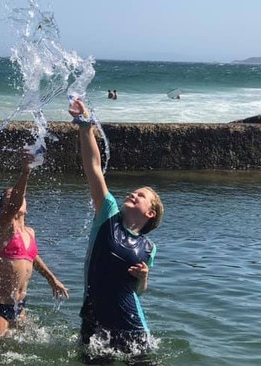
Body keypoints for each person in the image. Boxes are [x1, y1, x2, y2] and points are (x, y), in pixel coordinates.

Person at [69, 98, 164, 364]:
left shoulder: (149, 248)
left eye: (142, 195)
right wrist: (85, 126)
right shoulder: (108, 215)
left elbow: (139, 291)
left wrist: (144, 277)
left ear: (150, 213)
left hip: (132, 326)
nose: (134, 193)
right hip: (95, 324)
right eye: (135, 191)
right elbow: (94, 169)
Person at [0, 149, 69, 337]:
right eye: (11, 197)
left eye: (18, 196)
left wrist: (52, 279)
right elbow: (14, 205)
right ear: (4, 208)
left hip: (19, 305)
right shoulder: (2, 229)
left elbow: (32, 257)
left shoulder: (29, 232)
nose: (17, 200)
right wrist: (25, 172)